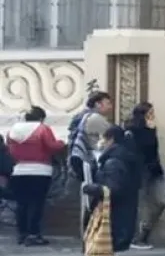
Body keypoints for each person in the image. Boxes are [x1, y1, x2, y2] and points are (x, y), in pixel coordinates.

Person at [81, 126, 143, 256]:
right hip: (119, 213)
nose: (99, 142)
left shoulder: (114, 161)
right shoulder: (121, 158)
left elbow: (113, 189)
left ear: (110, 139)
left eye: (101, 138)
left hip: (113, 214)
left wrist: (90, 188)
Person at [6, 106, 65, 246]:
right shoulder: (42, 129)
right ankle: (34, 234)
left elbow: (8, 148)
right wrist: (61, 143)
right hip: (40, 170)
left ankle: (22, 234)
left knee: (22, 204)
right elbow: (52, 146)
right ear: (41, 118)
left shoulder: (12, 130)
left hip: (18, 170)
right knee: (36, 203)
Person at [125, 102, 165, 250]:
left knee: (162, 200)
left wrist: (151, 129)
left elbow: (153, 150)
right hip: (141, 171)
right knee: (142, 204)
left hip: (155, 170)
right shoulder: (131, 129)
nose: (153, 115)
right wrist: (150, 131)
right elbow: (141, 149)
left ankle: (145, 230)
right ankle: (139, 237)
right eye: (150, 112)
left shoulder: (151, 128)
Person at [68, 91, 114, 182]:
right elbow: (114, 136)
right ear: (98, 104)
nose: (110, 107)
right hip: (89, 161)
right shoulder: (95, 118)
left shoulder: (84, 116)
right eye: (108, 103)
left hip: (80, 159)